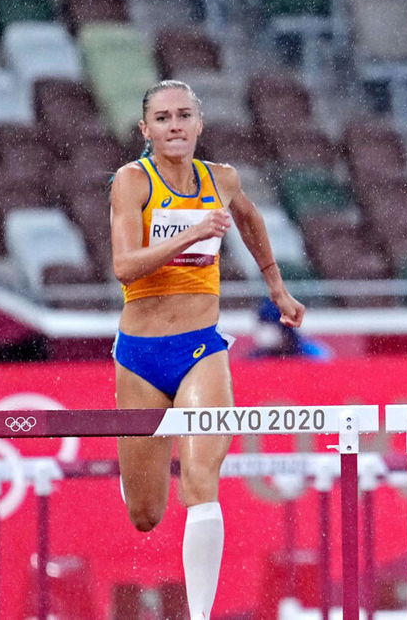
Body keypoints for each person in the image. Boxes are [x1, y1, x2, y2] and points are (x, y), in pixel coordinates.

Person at [109, 80, 305, 619]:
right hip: (140, 355)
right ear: (145, 130)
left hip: (201, 348)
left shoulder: (221, 179)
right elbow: (124, 266)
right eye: (163, 118)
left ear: (199, 124)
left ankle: (200, 616)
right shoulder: (133, 182)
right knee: (146, 513)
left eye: (184, 116)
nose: (175, 126)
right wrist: (190, 234)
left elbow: (249, 218)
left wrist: (276, 287)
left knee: (201, 481)